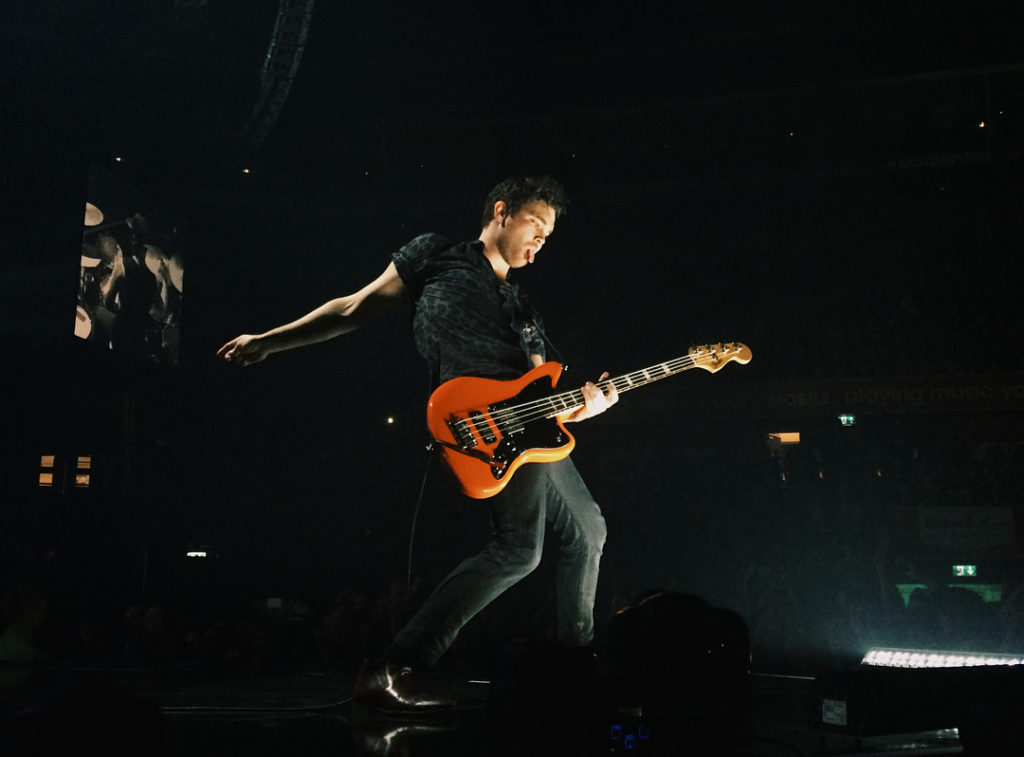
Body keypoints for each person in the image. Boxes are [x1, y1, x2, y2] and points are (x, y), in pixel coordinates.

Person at [218, 176, 618, 712]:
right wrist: (268, 341)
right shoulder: (436, 256)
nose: (540, 242)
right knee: (519, 548)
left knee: (588, 527)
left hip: (527, 429)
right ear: (501, 212)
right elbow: (351, 309)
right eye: (535, 226)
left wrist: (586, 404)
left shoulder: (525, 310)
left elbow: (548, 391)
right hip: (477, 418)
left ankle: (576, 662)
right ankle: (392, 667)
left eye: (549, 237)